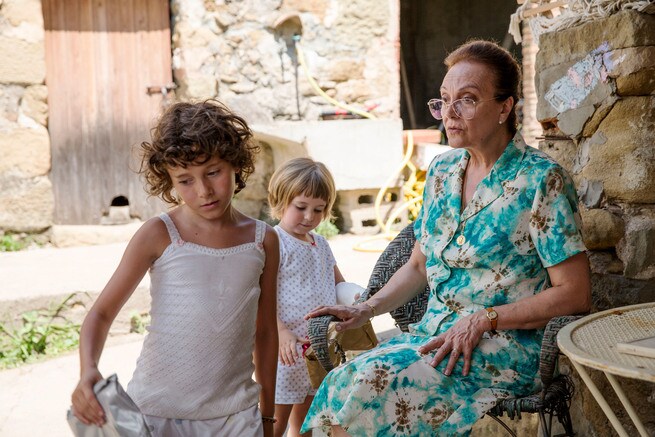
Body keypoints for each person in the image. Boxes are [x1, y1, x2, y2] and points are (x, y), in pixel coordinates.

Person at [301, 39, 591, 436]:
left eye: (467, 100)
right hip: (433, 333)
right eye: (443, 101)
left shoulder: (542, 180)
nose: (449, 115)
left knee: (376, 382)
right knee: (343, 381)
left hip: (503, 347)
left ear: (505, 107)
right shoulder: (441, 171)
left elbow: (574, 293)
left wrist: (485, 319)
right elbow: (419, 264)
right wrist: (366, 309)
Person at [71, 100, 279, 436]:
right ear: (168, 179)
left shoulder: (263, 240)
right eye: (185, 180)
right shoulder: (159, 234)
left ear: (235, 164)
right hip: (157, 415)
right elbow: (101, 314)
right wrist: (87, 369)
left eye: (213, 172)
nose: (204, 190)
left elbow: (266, 331)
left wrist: (267, 415)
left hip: (236, 417)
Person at [267, 157, 346, 437]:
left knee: (305, 423)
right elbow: (258, 297)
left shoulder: (321, 243)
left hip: (317, 348)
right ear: (280, 200)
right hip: (286, 350)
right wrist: (281, 332)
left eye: (318, 210)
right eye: (300, 207)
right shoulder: (273, 242)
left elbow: (338, 283)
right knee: (274, 424)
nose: (309, 217)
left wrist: (355, 302)